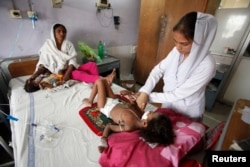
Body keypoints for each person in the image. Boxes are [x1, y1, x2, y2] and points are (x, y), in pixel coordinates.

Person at [136, 12, 218, 121]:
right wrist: (145, 91)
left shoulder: (207, 64)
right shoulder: (176, 51)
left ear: (201, 41)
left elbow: (178, 94)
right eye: (175, 41)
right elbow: (158, 70)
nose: (178, 47)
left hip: (188, 111)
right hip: (168, 104)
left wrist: (147, 97)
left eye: (184, 43)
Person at [82, 78, 175, 153]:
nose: (151, 111)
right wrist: (131, 98)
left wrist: (103, 140)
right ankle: (108, 82)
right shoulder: (141, 115)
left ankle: (90, 101)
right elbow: (133, 106)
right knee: (104, 81)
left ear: (145, 123)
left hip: (105, 106)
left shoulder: (129, 126)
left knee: (99, 81)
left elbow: (109, 126)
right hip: (115, 101)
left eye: (152, 113)